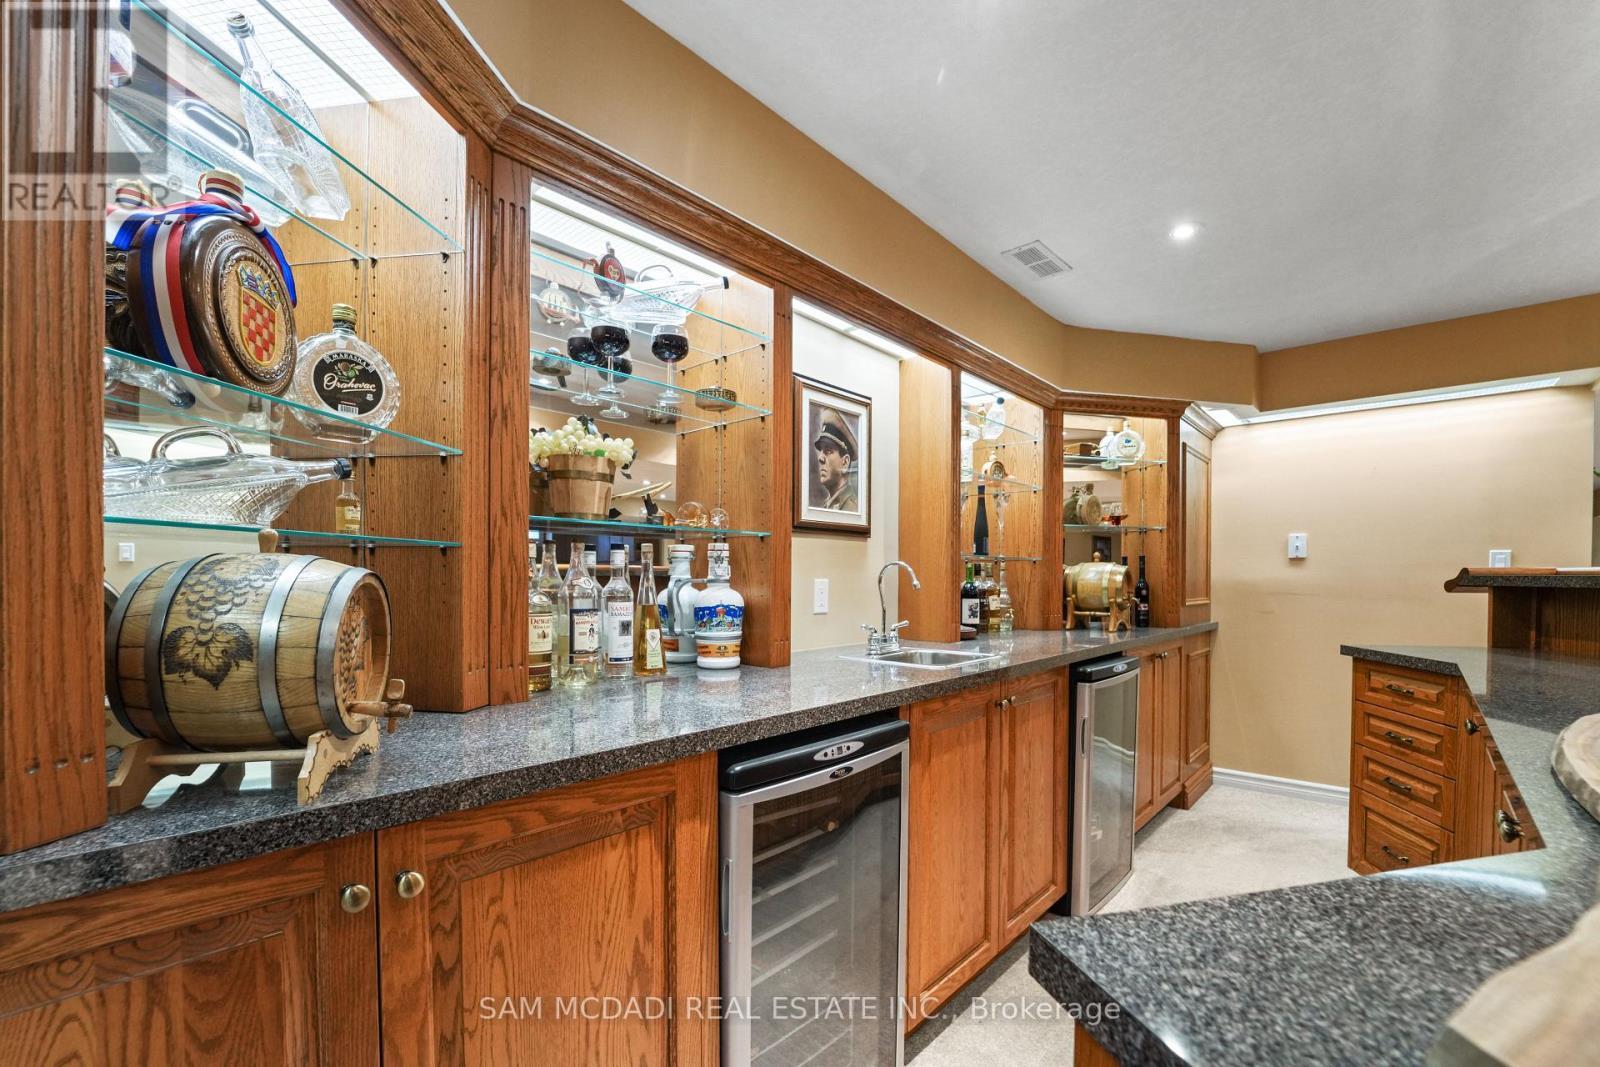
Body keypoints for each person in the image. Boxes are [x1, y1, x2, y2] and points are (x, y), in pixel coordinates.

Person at [813, 407, 859, 511]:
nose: (820, 458)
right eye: (821, 450)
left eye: (828, 451)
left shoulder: (851, 508)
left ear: (845, 462)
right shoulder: (829, 505)